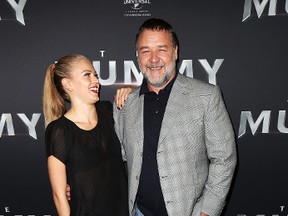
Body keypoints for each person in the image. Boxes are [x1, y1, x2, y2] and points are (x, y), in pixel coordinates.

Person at [113, 18, 237, 216]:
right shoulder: (126, 104)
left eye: (162, 49)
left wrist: (206, 211)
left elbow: (224, 159)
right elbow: (115, 159)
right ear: (137, 56)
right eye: (145, 51)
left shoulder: (206, 96)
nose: (154, 59)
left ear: (175, 52)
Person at [43, 54, 130, 216]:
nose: (96, 80)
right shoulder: (60, 130)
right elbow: (59, 196)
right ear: (68, 84)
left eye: (95, 75)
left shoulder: (108, 111)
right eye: (87, 75)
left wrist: (131, 93)